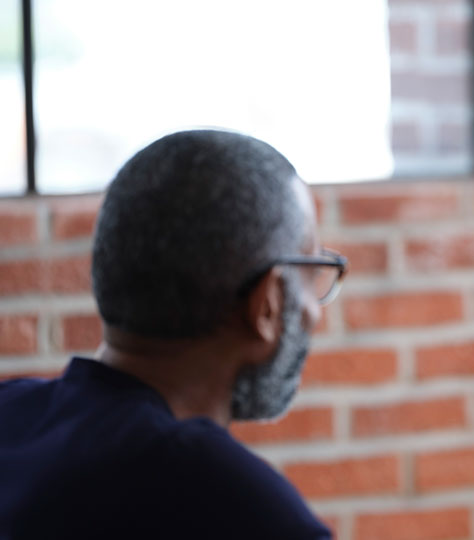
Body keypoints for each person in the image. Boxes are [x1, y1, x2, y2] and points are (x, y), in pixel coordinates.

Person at [0, 130, 347, 539]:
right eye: (312, 274)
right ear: (267, 304)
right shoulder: (230, 502)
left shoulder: (12, 414)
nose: (314, 312)